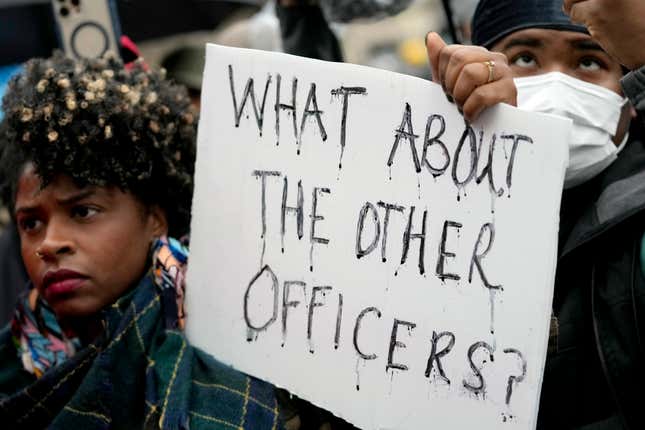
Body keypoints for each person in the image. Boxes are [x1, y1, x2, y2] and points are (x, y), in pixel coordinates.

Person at [0, 52, 282, 429]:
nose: (49, 244)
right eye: (31, 222)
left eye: (83, 211)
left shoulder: (233, 351)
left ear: (155, 218)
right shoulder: (11, 365)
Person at [425, 0, 645, 429]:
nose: (557, 85)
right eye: (525, 58)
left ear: (631, 94)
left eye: (588, 61)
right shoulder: (433, 218)